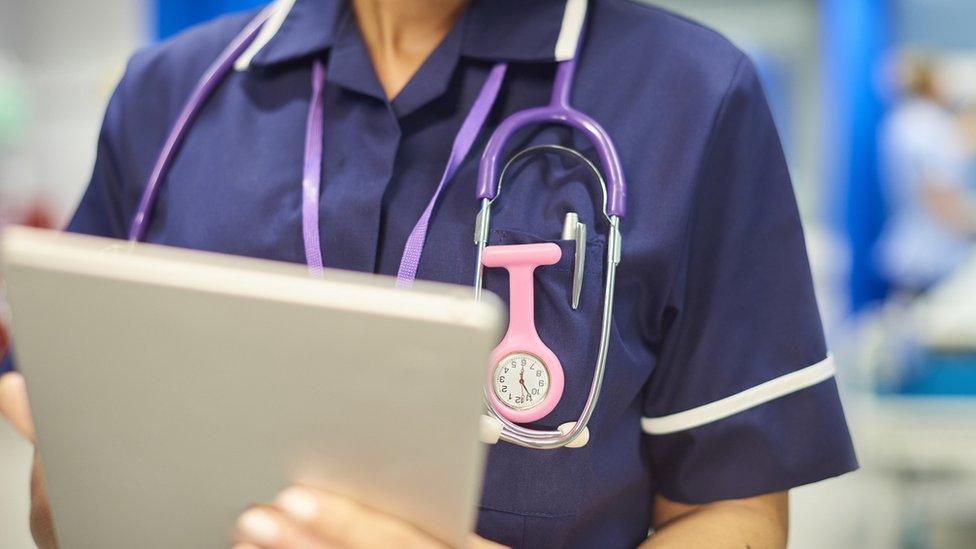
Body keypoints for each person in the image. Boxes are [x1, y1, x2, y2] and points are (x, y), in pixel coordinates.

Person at [0, 0, 857, 547]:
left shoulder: (690, 95)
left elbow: (734, 512)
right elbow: (59, 506)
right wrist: (87, 483)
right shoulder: (172, 96)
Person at [876, 54, 976, 295]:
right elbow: (938, 193)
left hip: (912, 246)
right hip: (930, 254)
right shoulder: (928, 124)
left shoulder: (900, 120)